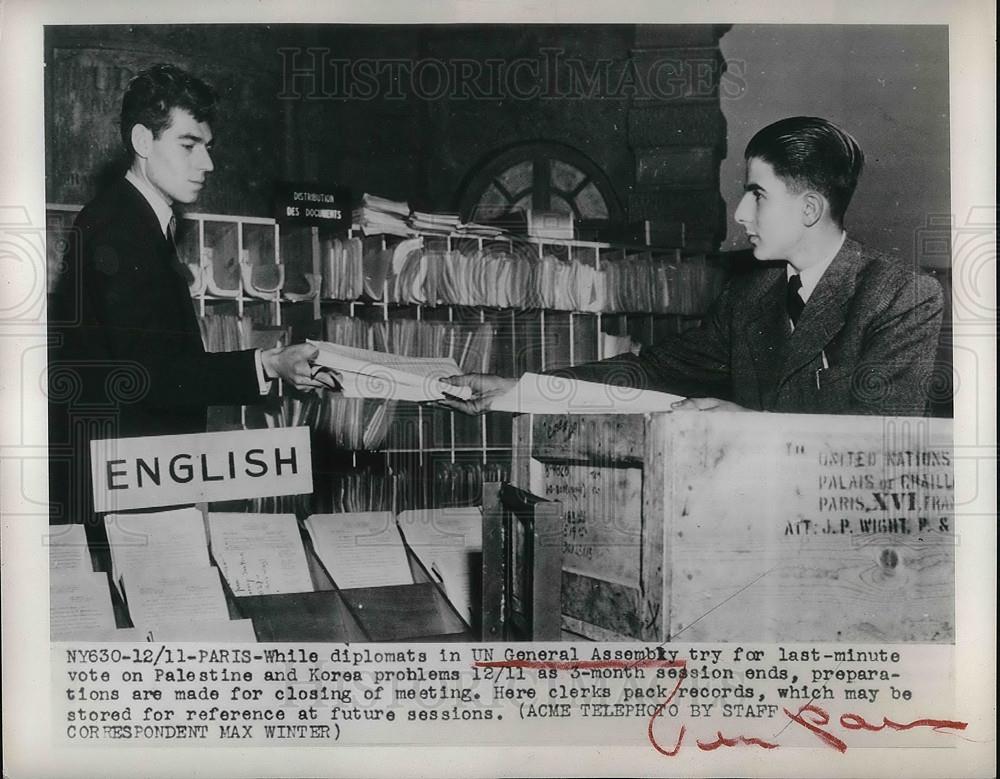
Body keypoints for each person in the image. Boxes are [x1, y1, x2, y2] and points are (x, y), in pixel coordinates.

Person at [444, 116, 944, 417]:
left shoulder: (900, 296)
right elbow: (652, 371)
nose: (742, 214)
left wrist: (747, 425)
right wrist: (521, 388)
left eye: (757, 194)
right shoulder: (752, 295)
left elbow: (880, 443)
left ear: (810, 209)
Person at [48, 64, 336, 529]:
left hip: (135, 477)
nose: (208, 164)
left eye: (208, 147)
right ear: (143, 142)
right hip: (124, 492)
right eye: (188, 145)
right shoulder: (121, 227)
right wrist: (267, 364)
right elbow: (149, 373)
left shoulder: (136, 219)